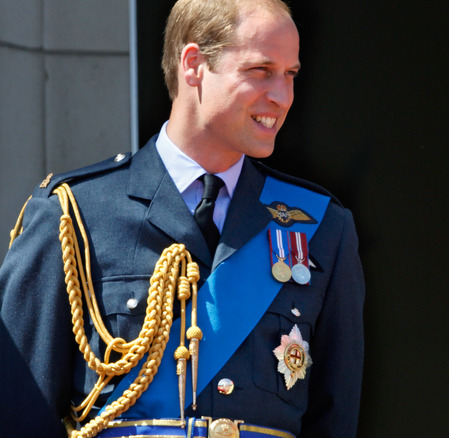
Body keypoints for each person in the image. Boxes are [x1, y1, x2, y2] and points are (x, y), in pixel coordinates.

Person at [0, 0, 365, 437]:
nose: (283, 97)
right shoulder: (73, 216)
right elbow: (18, 411)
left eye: (290, 74)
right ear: (194, 64)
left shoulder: (322, 226)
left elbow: (335, 418)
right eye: (261, 70)